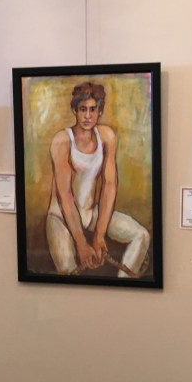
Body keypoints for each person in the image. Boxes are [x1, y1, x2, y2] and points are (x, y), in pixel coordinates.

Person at [46, 81, 150, 277]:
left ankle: (123, 286)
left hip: (89, 214)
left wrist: (99, 235)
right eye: (83, 109)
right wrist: (81, 243)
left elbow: (110, 186)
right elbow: (65, 196)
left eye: (93, 110)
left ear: (100, 111)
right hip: (60, 217)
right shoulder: (62, 140)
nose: (87, 116)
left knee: (142, 235)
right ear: (75, 110)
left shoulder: (106, 137)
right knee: (68, 273)